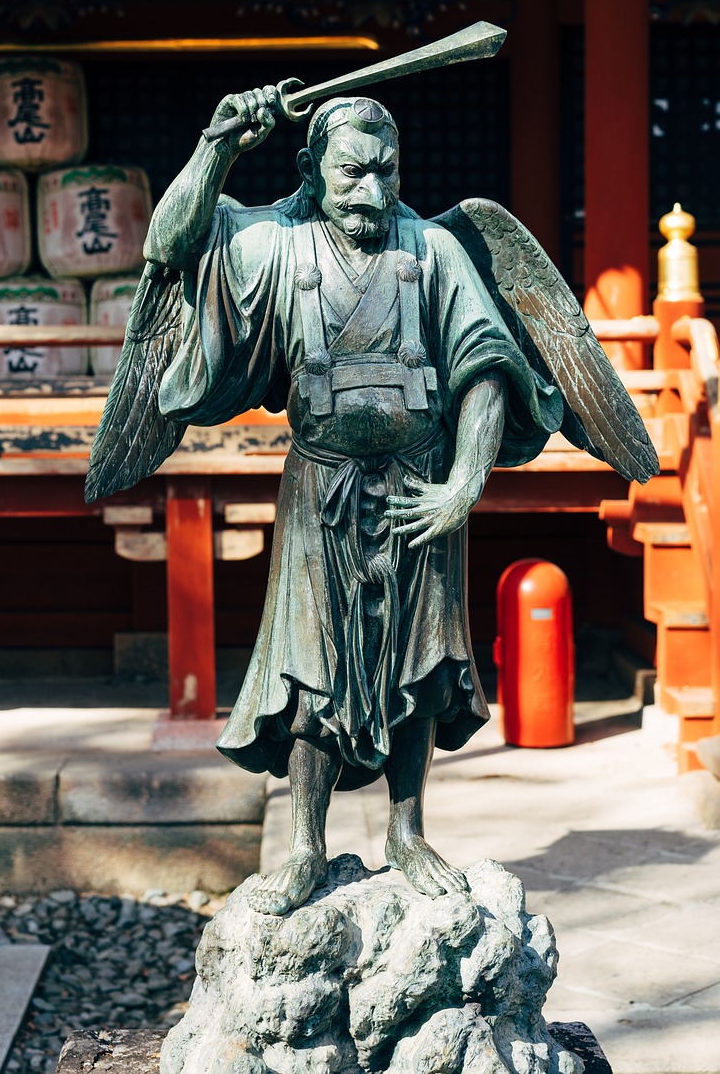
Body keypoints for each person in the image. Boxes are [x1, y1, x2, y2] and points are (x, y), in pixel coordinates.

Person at [140, 85, 563, 916]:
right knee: (311, 669)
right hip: (319, 486)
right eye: (350, 175)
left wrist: (464, 482)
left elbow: (485, 368)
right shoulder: (278, 245)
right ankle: (304, 841)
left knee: (422, 662)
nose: (371, 192)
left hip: (420, 484)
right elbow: (168, 246)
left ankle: (405, 829)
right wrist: (218, 142)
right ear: (310, 168)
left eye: (385, 172)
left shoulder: (433, 250)